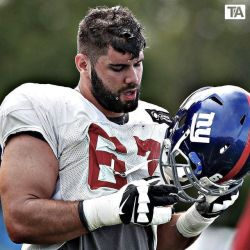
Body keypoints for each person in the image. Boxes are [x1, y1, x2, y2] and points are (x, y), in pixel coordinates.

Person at [0, 6, 247, 250]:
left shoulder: (156, 122)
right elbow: (20, 219)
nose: (133, 78)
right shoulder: (44, 107)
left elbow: (152, 240)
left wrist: (197, 218)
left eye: (137, 64)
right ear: (83, 64)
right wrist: (112, 208)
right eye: (118, 68)